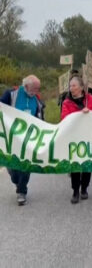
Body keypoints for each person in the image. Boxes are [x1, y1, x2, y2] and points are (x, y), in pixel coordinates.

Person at [0, 75, 44, 206]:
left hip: (28, 139)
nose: (37, 91)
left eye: (38, 89)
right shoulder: (11, 94)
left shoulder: (37, 99)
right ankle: (16, 180)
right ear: (26, 87)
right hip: (11, 137)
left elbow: (40, 117)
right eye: (35, 88)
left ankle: (21, 191)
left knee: (26, 164)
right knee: (12, 166)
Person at [61, 75, 92, 204]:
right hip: (74, 138)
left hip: (89, 137)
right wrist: (80, 115)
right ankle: (75, 191)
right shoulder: (66, 102)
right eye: (70, 86)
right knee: (75, 165)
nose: (71, 88)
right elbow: (64, 118)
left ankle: (84, 188)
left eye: (74, 85)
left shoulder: (91, 100)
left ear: (81, 87)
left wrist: (90, 113)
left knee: (87, 163)